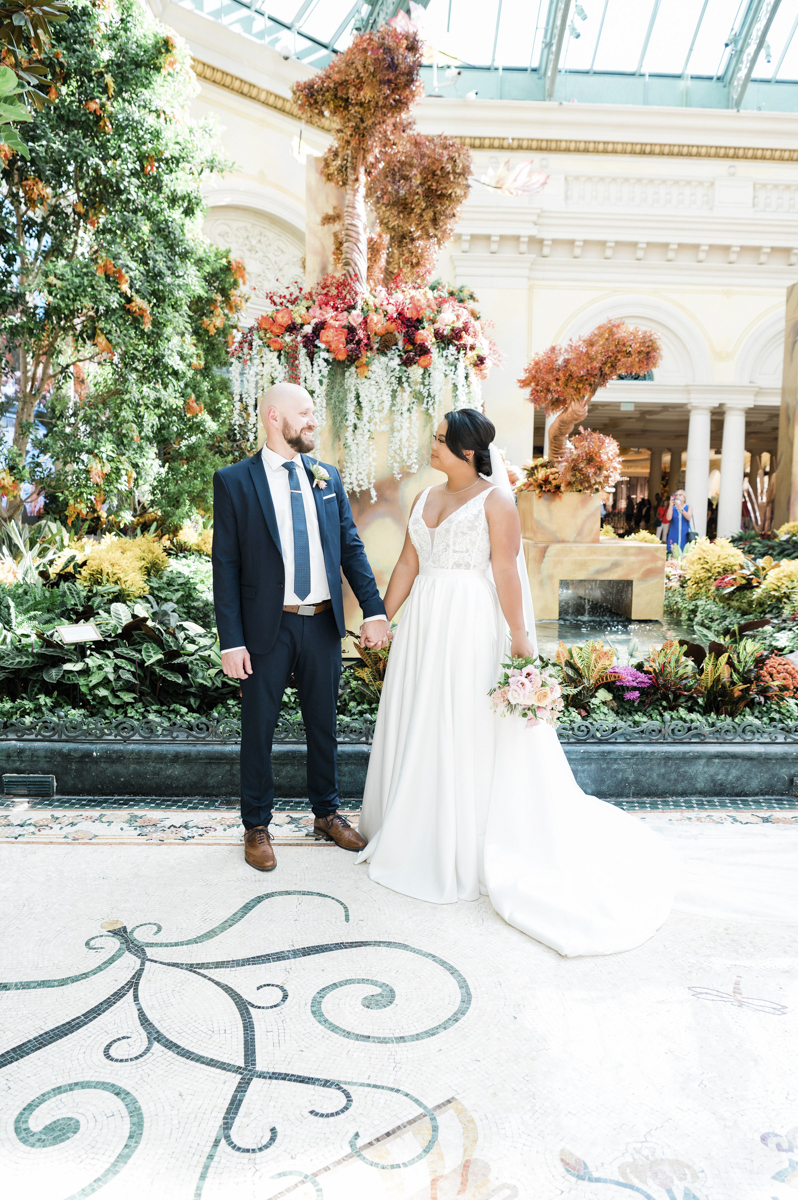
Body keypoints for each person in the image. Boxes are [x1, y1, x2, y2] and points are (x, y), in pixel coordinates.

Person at [356, 410, 676, 957]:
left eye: (441, 441)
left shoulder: (496, 501)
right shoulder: (424, 498)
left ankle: (459, 840)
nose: (432, 446)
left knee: (462, 722)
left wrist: (521, 641)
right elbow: (408, 561)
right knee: (421, 716)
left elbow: (507, 571)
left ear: (467, 451)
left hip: (468, 624)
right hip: (424, 624)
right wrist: (382, 618)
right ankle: (412, 826)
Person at [212, 382, 389, 872]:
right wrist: (231, 641)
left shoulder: (325, 476)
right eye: (306, 412)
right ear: (275, 416)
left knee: (323, 725)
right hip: (266, 629)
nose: (314, 421)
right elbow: (225, 565)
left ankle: (326, 814)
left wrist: (374, 610)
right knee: (258, 729)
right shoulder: (234, 481)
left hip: (322, 623)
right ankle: (256, 825)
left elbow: (350, 546)